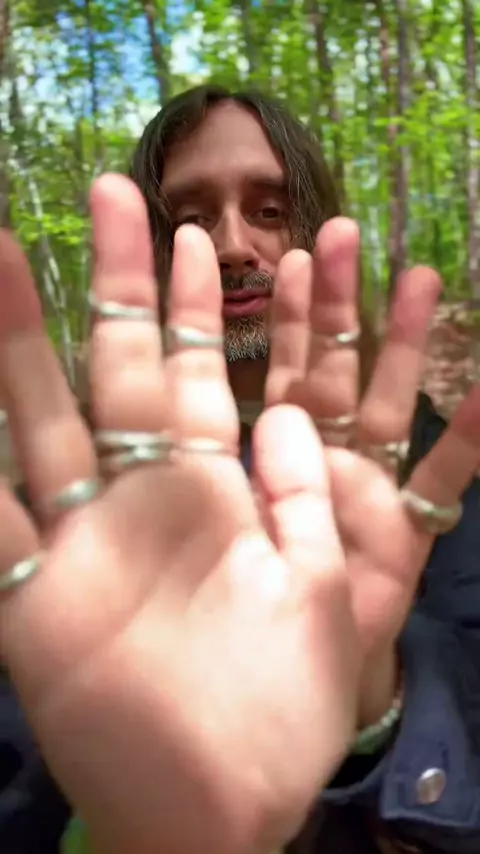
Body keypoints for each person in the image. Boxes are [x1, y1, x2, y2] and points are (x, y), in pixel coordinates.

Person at [0, 84, 479, 854]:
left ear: (315, 227)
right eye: (192, 219)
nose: (232, 246)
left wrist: (374, 696)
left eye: (269, 209)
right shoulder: (79, 505)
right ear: (156, 252)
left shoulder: (423, 473)